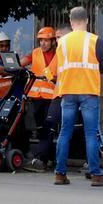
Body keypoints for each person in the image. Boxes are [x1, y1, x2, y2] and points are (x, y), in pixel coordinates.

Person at [53, 7, 103, 187]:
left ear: (71, 22)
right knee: (91, 134)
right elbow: (101, 68)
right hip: (88, 91)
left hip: (68, 91)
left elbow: (59, 67)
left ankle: (60, 174)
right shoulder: (96, 40)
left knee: (64, 132)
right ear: (87, 21)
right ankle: (95, 175)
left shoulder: (62, 42)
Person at [27, 26, 58, 166]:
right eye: (40, 41)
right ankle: (49, 157)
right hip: (36, 97)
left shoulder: (60, 54)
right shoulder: (35, 53)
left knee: (48, 127)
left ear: (53, 41)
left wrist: (54, 78)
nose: (43, 44)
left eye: (46, 41)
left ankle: (39, 158)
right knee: (41, 130)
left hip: (52, 98)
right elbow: (22, 62)